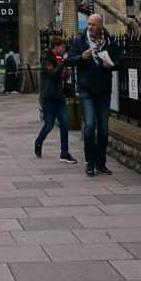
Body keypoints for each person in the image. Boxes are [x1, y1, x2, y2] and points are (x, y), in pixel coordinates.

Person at [67, 13, 124, 176]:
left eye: (93, 24)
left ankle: (101, 163)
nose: (90, 27)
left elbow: (120, 61)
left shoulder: (110, 41)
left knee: (104, 129)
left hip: (104, 90)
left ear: (100, 25)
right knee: (90, 126)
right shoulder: (80, 40)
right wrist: (81, 57)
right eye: (89, 24)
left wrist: (111, 66)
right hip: (86, 90)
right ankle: (90, 162)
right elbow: (69, 60)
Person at [34, 36, 77, 164]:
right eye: (63, 47)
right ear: (56, 47)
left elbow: (60, 76)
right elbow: (52, 74)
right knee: (49, 124)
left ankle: (64, 153)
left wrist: (67, 73)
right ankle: (39, 141)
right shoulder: (46, 58)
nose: (64, 50)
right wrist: (63, 63)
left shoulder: (59, 59)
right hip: (48, 97)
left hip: (59, 97)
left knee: (64, 124)